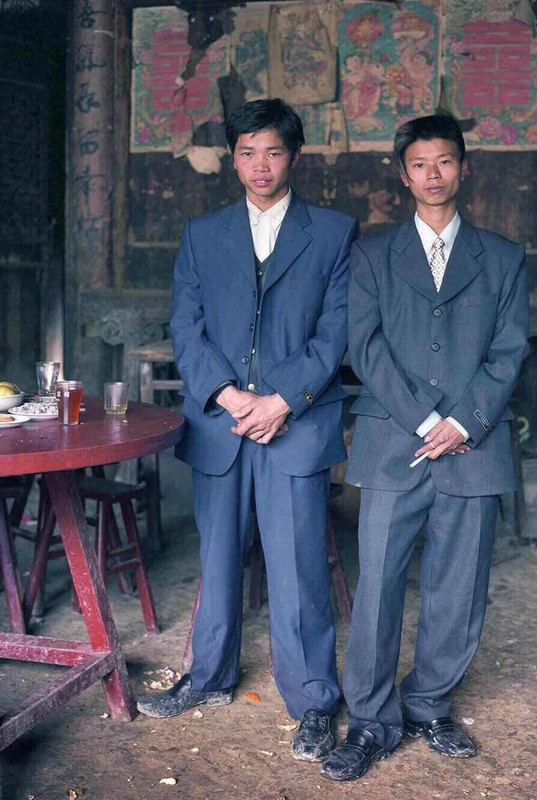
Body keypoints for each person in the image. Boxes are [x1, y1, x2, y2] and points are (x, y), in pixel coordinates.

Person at [137, 99, 359, 763]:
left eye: (273, 152)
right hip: (221, 422)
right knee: (217, 560)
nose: (260, 165)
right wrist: (229, 395)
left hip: (295, 424)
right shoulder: (202, 234)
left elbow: (337, 330)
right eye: (246, 152)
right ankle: (208, 677)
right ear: (233, 160)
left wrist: (283, 400)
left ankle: (313, 700)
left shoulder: (334, 233)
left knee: (298, 569)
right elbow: (186, 326)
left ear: (294, 157)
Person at [321, 114, 529, 781]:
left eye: (444, 162)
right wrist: (424, 419)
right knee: (378, 584)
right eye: (419, 164)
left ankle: (430, 704)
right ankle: (370, 720)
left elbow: (509, 350)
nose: (432, 175)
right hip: (394, 441)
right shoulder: (371, 254)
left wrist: (463, 422)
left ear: (462, 168)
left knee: (458, 588)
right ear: (403, 174)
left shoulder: (502, 257)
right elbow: (365, 347)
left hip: (473, 444)